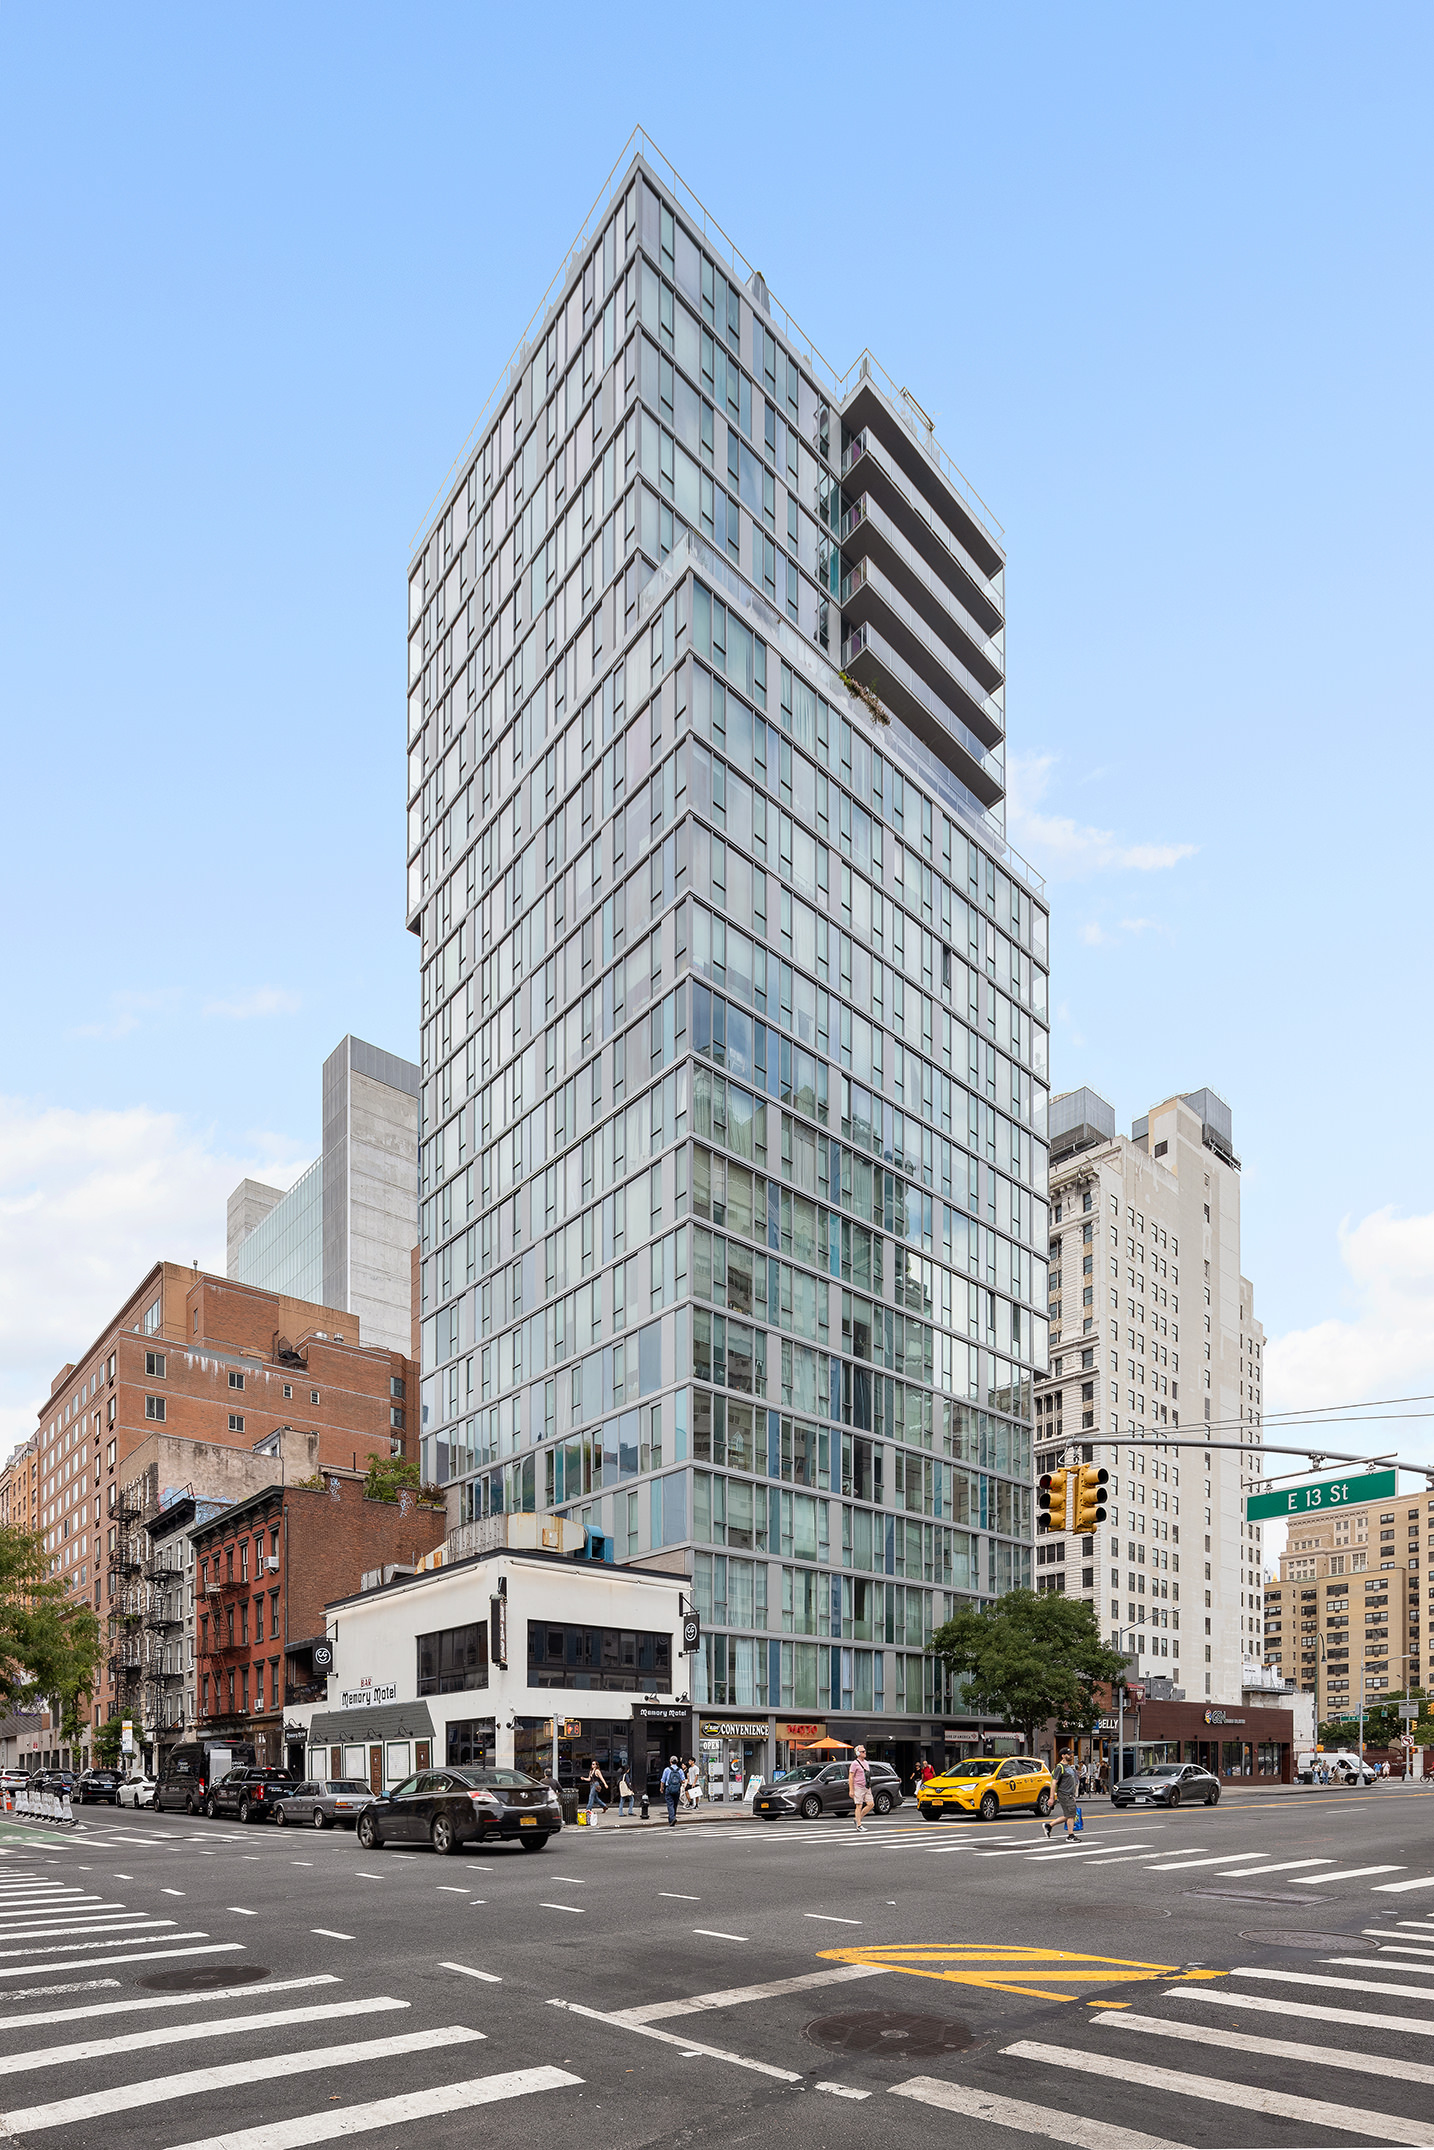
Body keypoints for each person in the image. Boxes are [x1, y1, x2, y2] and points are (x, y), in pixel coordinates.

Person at [1044, 1751, 1080, 1843]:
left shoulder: (1069, 1767)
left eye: (1071, 1754)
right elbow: (1054, 1783)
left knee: (1069, 1814)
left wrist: (1073, 1795)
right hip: (1064, 1794)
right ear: (1063, 1756)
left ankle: (1049, 1826)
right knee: (1071, 1814)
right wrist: (1051, 1797)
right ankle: (1070, 1835)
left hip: (1069, 1794)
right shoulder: (1059, 1767)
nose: (1071, 1756)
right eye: (1068, 1754)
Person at [849, 1744, 874, 1831]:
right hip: (858, 1787)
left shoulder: (866, 1763)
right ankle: (859, 1825)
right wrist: (851, 1790)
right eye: (862, 1751)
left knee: (871, 1804)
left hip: (866, 1786)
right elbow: (851, 1776)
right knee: (859, 1805)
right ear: (858, 1753)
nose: (865, 1752)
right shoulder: (854, 1763)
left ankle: (857, 1818)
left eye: (865, 1751)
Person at [660, 1755, 683, 1827]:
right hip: (677, 1789)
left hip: (669, 1788)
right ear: (677, 1762)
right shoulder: (680, 1770)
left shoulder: (667, 1770)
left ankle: (672, 1818)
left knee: (670, 1804)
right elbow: (683, 1780)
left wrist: (661, 1788)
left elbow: (663, 1780)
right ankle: (673, 1817)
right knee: (675, 1804)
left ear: (670, 1762)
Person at [583, 1759, 607, 1824]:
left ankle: (588, 1809)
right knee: (595, 1798)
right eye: (592, 1764)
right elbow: (589, 1779)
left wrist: (605, 1784)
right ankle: (604, 1806)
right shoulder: (591, 1771)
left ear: (596, 1765)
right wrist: (584, 1778)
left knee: (591, 1796)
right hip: (591, 1784)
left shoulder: (597, 1771)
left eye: (594, 1764)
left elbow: (601, 1778)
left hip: (595, 1784)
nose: (592, 1765)